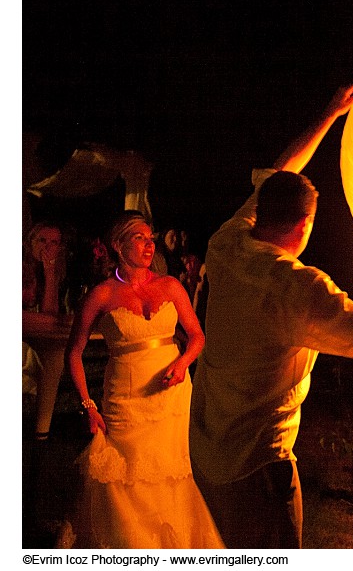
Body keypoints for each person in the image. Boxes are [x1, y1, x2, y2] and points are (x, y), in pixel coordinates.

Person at [189, 83, 353, 549]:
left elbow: (275, 173)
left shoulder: (227, 243)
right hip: (257, 462)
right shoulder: (298, 287)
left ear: (262, 213)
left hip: (208, 449)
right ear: (304, 226)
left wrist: (330, 113)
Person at [60, 214, 223, 548]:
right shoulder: (101, 296)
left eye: (151, 237)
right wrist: (88, 406)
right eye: (139, 237)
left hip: (172, 394)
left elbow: (196, 337)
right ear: (118, 245)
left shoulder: (171, 286)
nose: (150, 244)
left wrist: (182, 363)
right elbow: (73, 353)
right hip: (125, 396)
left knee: (171, 472)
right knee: (126, 471)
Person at [22, 222, 74, 441]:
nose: (48, 247)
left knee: (52, 355)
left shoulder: (52, 271)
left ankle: (41, 431)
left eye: (54, 242)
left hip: (35, 339)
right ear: (29, 243)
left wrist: (50, 273)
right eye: (42, 240)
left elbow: (49, 313)